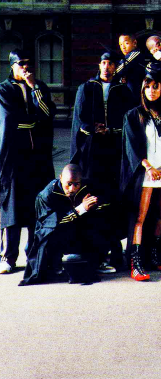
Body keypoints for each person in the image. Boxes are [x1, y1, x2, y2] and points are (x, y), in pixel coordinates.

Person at [70, 51, 135, 271]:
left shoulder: (123, 90)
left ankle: (114, 249)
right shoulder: (87, 87)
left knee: (113, 199)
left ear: (116, 67)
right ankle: (94, 249)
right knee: (92, 196)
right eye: (104, 63)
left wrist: (112, 130)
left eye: (111, 64)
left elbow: (129, 119)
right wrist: (92, 129)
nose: (107, 67)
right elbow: (79, 118)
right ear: (99, 65)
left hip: (114, 151)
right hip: (91, 152)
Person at [120, 70, 161, 281]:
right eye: (148, 86)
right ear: (142, 89)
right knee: (140, 217)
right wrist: (148, 167)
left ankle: (153, 255)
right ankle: (135, 262)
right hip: (145, 173)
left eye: (156, 86)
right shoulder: (133, 115)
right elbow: (132, 147)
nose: (152, 91)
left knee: (160, 214)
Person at [0, 49, 56, 274]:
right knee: (12, 207)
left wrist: (34, 89)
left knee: (37, 205)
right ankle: (8, 256)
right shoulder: (4, 89)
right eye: (21, 63)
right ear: (12, 65)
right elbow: (8, 119)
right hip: (14, 156)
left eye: (28, 63)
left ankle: (35, 253)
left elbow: (47, 113)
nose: (25, 67)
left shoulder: (39, 87)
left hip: (37, 156)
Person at [19, 164, 119, 286]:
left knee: (103, 223)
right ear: (60, 178)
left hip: (79, 231)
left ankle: (97, 261)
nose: (72, 189)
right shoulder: (47, 194)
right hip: (56, 234)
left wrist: (96, 205)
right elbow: (51, 224)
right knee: (48, 237)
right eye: (69, 184)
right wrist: (81, 209)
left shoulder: (88, 187)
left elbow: (107, 204)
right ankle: (54, 263)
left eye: (76, 184)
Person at [114, 32, 146, 106]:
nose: (123, 47)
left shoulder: (135, 54)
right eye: (121, 44)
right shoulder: (126, 57)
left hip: (136, 94)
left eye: (126, 43)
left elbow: (118, 71)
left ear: (134, 43)